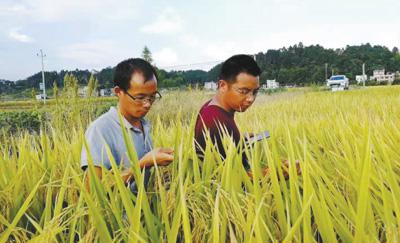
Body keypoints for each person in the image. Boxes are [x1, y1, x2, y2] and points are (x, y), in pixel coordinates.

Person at [194, 54, 299, 178]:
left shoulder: (211, 108)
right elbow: (232, 180)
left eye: (255, 92)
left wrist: (239, 142)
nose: (250, 99)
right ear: (222, 86)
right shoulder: (214, 120)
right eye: (243, 91)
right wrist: (279, 173)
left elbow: (219, 153)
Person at [81, 58, 174, 193]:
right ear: (119, 92)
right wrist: (143, 163)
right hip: (116, 213)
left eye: (152, 97)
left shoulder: (144, 125)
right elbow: (93, 189)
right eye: (140, 97)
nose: (147, 104)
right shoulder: (100, 130)